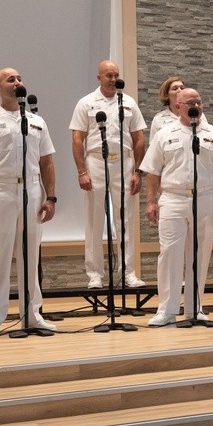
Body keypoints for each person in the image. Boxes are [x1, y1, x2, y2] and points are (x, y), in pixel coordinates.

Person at [0, 68, 58, 335]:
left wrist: (50, 196)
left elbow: (47, 162)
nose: (17, 82)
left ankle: (32, 313)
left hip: (32, 191)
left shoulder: (36, 121)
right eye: (10, 80)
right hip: (1, 191)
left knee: (31, 255)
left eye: (19, 78)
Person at [141, 88, 213, 327]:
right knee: (169, 254)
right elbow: (152, 171)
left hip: (205, 198)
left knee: (200, 253)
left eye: (198, 102)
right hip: (172, 199)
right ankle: (167, 309)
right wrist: (151, 201)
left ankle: (195, 307)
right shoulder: (165, 134)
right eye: (189, 102)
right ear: (177, 107)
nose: (195, 105)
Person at [70, 60, 147, 289]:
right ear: (99, 78)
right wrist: (81, 171)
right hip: (95, 162)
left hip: (123, 162)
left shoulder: (128, 102)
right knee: (94, 219)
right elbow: (77, 138)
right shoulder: (86, 102)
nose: (113, 80)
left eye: (116, 75)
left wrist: (138, 171)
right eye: (108, 76)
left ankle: (128, 273)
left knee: (126, 219)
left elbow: (139, 138)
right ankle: (95, 274)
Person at [147, 76, 185, 146]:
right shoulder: (159, 119)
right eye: (175, 88)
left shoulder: (196, 115)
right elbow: (154, 148)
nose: (180, 90)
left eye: (182, 88)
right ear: (166, 95)